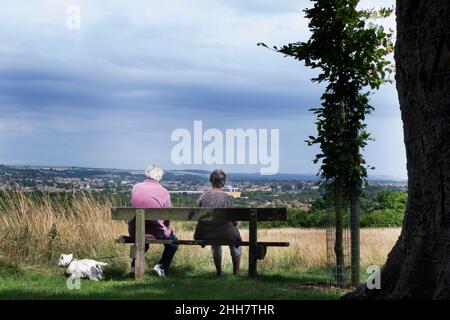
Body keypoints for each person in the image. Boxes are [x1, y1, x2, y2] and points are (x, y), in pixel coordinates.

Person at [128, 165, 178, 277]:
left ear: (145, 175)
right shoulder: (164, 191)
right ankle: (161, 266)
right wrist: (166, 229)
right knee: (173, 243)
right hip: (156, 233)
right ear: (160, 178)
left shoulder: (136, 187)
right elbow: (167, 217)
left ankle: (133, 266)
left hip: (135, 231)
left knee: (140, 240)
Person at [194, 169, 242, 276]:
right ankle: (236, 271)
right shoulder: (227, 198)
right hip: (224, 232)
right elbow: (234, 222)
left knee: (215, 242)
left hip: (205, 232)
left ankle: (219, 272)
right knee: (236, 240)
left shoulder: (202, 196)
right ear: (223, 182)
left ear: (211, 181)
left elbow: (198, 216)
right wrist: (233, 225)